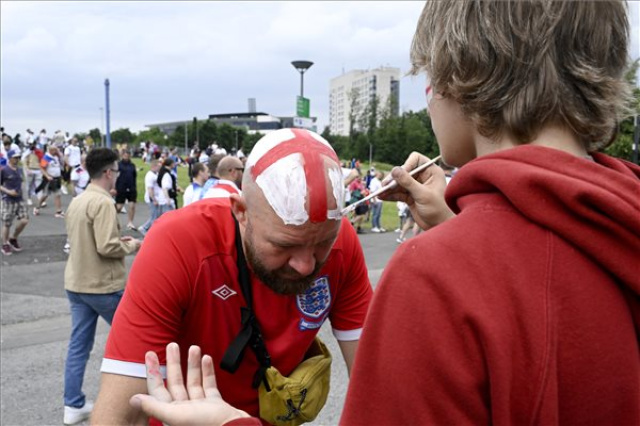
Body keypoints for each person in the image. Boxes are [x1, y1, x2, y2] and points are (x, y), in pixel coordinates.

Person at [127, 1, 639, 425]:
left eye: (429, 82)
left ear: (461, 80)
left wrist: (228, 423)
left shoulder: (435, 276)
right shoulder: (620, 228)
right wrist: (459, 228)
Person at [91, 128, 373, 424]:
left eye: (321, 243)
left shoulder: (342, 243)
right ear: (241, 211)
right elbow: (121, 415)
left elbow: (376, 383)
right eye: (284, 245)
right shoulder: (178, 243)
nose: (305, 265)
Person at [62, 148, 141, 425]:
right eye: (116, 171)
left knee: (78, 345)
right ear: (108, 173)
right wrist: (131, 245)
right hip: (103, 285)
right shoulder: (104, 202)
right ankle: (140, 402)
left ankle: (73, 404)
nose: (117, 176)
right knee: (139, 339)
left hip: (76, 281)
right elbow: (107, 246)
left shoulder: (78, 199)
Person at [0, 150, 29, 255]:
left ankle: (13, 238)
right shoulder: (4, 170)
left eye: (18, 158)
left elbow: (22, 183)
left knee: (24, 220)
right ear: (10, 158)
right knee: (7, 223)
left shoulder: (20, 170)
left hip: (19, 199)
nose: (17, 160)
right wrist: (8, 192)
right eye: (15, 157)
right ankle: (5, 244)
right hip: (8, 200)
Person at [34, 144, 64, 218]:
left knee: (57, 194)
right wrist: (47, 176)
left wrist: (59, 154)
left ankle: (58, 211)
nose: (56, 151)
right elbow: (42, 168)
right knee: (45, 195)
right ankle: (37, 207)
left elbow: (62, 162)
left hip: (57, 178)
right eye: (55, 150)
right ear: (51, 150)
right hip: (49, 179)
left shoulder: (56, 157)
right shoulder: (46, 157)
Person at [114, 149, 138, 230]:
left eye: (127, 154)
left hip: (131, 188)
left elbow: (134, 177)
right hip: (121, 188)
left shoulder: (132, 165)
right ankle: (113, 221)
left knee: (132, 206)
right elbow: (115, 177)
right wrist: (114, 188)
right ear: (122, 156)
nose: (126, 156)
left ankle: (130, 222)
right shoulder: (118, 165)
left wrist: (134, 188)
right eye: (124, 155)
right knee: (119, 207)